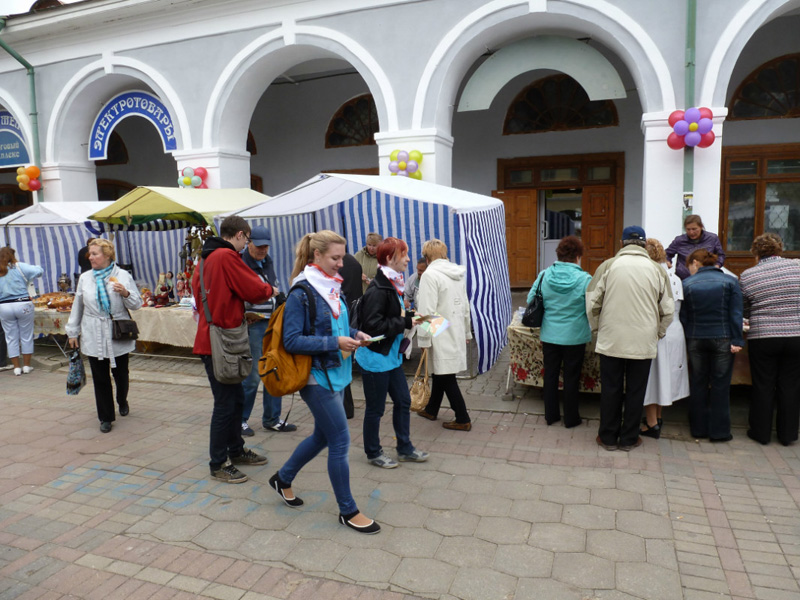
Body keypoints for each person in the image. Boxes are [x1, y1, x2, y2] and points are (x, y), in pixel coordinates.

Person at [270, 230, 379, 534]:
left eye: (342, 257)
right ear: (316, 255)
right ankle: (348, 510)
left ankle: (282, 478)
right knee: (340, 441)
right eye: (335, 257)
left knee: (322, 436)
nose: (341, 263)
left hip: (337, 373)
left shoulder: (331, 285)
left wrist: (355, 334)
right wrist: (335, 342)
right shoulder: (301, 292)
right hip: (316, 378)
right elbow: (292, 340)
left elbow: (339, 325)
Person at [192, 216, 273, 483]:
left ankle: (236, 450)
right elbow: (254, 289)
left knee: (235, 398)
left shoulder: (205, 258)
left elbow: (203, 296)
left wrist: (233, 312)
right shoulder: (226, 256)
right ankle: (218, 463)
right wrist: (271, 289)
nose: (246, 245)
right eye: (247, 239)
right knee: (225, 404)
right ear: (239, 235)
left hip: (212, 337)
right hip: (221, 342)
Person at [586, 226, 674, 451]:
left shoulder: (608, 266)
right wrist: (657, 333)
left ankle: (607, 437)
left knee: (611, 389)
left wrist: (597, 330)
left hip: (611, 339)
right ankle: (629, 439)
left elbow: (592, 303)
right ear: (644, 244)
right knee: (636, 391)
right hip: (643, 341)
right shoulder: (657, 270)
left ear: (621, 243)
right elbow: (668, 310)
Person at [356, 237, 430, 468]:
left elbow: (393, 315)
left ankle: (404, 448)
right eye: (404, 254)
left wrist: (413, 317)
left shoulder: (392, 283)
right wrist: (405, 322)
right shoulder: (379, 289)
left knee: (403, 401)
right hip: (375, 359)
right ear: (390, 258)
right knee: (375, 409)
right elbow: (373, 326)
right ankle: (373, 452)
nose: (408, 259)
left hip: (391, 357)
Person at [66, 239, 141, 432]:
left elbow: (137, 304)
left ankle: (122, 399)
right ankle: (106, 417)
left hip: (116, 331)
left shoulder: (122, 275)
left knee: (121, 374)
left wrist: (125, 293)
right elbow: (78, 306)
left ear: (107, 255)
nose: (90, 257)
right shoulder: (85, 278)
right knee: (100, 377)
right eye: (89, 254)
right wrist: (72, 331)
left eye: (94, 254)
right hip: (93, 331)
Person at [740, 233, 800, 446]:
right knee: (790, 385)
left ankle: (761, 433)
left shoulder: (747, 275)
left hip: (763, 335)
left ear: (756, 252)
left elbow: (745, 309)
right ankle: (788, 434)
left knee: (763, 384)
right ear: (780, 248)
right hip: (795, 334)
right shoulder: (797, 267)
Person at [527, 236, 591, 428]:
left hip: (550, 334)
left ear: (559, 254)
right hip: (575, 336)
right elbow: (592, 308)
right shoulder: (585, 279)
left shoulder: (544, 275)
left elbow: (531, 299)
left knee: (550, 375)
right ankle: (571, 419)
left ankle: (551, 415)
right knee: (572, 377)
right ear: (578, 256)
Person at [680, 248, 743, 442]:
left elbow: (683, 316)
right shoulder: (730, 282)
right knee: (720, 385)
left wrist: (688, 336)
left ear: (696, 263)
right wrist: (737, 339)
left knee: (698, 382)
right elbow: (736, 314)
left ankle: (698, 429)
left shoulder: (686, 284)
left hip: (696, 338)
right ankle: (720, 432)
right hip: (723, 338)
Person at [239, 225, 295, 436]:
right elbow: (241, 293)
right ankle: (240, 420)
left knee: (274, 369)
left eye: (266, 246)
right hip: (254, 325)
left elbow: (274, 289)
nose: (263, 250)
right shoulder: (242, 263)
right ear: (249, 243)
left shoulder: (267, 262)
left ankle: (272, 419)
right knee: (253, 376)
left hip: (273, 323)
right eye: (259, 246)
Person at [415, 239, 473, 431]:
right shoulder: (456, 273)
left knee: (446, 375)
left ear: (427, 257)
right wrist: (466, 331)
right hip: (454, 327)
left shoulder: (429, 275)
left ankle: (462, 417)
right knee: (441, 371)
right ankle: (432, 409)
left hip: (439, 329)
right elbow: (465, 305)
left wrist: (423, 339)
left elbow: (426, 310)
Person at [641, 238, 690, 439]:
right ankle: (658, 418)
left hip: (659, 330)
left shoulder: (652, 275)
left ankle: (651, 422)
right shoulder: (675, 277)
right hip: (675, 330)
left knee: (652, 377)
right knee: (665, 376)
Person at [0, 247, 43, 376]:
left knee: (10, 337)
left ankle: (16, 368)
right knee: (26, 336)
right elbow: (39, 271)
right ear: (13, 255)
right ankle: (26, 366)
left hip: (4, 306)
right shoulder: (19, 266)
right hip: (22, 303)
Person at [338, 251, 363, 419]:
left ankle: (345, 407)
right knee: (345, 361)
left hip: (344, 314)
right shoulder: (354, 261)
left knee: (341, 361)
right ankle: (347, 407)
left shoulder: (345, 264)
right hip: (352, 313)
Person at [666, 215, 725, 280]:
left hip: (706, 278)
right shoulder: (679, 240)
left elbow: (721, 255)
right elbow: (667, 254)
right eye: (688, 229)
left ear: (701, 227)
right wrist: (667, 261)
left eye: (694, 229)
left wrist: (717, 265)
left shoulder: (712, 238)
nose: (691, 232)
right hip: (683, 279)